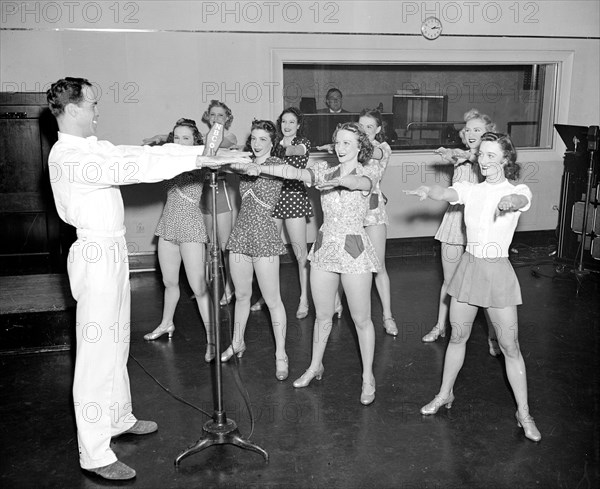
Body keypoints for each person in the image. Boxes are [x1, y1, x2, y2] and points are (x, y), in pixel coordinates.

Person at [46, 77, 249, 481]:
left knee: (117, 338)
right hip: (94, 252)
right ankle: (94, 451)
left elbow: (138, 152)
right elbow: (135, 166)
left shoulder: (92, 147)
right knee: (95, 355)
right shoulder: (67, 156)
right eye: (92, 103)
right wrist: (198, 161)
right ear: (71, 110)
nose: (98, 110)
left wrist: (207, 152)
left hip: (112, 250)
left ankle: (118, 417)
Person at [405, 132, 541, 442]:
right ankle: (445, 394)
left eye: (492, 155)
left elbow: (520, 200)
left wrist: (509, 202)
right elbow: (449, 192)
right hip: (469, 267)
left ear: (505, 160)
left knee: (510, 346)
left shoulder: (518, 189)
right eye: (481, 154)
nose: (484, 160)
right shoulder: (471, 189)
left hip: (497, 273)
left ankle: (524, 412)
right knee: (458, 337)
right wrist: (431, 190)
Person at [248, 122, 381, 405]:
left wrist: (343, 181)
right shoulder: (323, 170)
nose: (341, 148)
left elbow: (362, 184)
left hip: (354, 246)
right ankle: (314, 365)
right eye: (338, 142)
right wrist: (261, 167)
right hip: (324, 247)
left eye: (348, 143)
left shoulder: (369, 171)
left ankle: (368, 377)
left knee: (361, 319)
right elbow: (293, 171)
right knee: (322, 316)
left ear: (360, 147)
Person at [421, 109, 500, 357]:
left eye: (478, 129)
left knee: (484, 285)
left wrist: (462, 153)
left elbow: (474, 157)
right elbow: (461, 155)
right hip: (455, 223)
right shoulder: (459, 156)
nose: (472, 133)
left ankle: (493, 335)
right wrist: (454, 153)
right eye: (468, 130)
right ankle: (440, 325)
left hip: (480, 227)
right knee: (449, 280)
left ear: (488, 133)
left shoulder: (490, 158)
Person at [220, 120, 289, 381]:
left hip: (264, 236)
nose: (257, 143)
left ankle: (281, 354)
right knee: (241, 295)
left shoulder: (276, 166)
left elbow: (263, 172)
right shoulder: (248, 161)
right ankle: (237, 342)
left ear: (272, 142)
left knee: (273, 300)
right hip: (241, 234)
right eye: (254, 139)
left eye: (263, 139)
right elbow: (227, 160)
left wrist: (247, 166)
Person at [143, 118, 215, 363]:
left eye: (186, 137)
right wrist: (158, 141)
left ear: (194, 140)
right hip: (168, 224)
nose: (180, 142)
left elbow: (219, 150)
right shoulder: (168, 158)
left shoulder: (200, 159)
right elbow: (148, 155)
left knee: (199, 287)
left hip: (190, 227)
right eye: (176, 137)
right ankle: (166, 323)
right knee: (169, 282)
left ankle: (212, 340)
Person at [249, 107, 313, 319]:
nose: (287, 126)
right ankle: (266, 297)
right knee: (269, 252)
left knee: (300, 254)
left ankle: (304, 298)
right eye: (284, 122)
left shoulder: (302, 143)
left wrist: (273, 146)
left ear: (298, 125)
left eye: (291, 122)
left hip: (294, 198)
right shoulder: (272, 143)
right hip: (273, 198)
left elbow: (295, 152)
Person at [359, 109, 398, 336]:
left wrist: (346, 142)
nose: (364, 130)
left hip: (373, 213)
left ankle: (387, 315)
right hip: (350, 214)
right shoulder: (351, 147)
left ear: (379, 130)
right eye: (360, 125)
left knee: (378, 266)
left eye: (369, 127)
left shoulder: (382, 149)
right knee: (349, 266)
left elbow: (373, 154)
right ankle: (338, 306)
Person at [199, 100, 240, 306]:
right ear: (207, 116)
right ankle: (206, 288)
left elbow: (220, 143)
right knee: (208, 244)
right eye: (213, 115)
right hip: (203, 193)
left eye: (220, 116)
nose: (216, 119)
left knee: (225, 246)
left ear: (227, 119)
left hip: (220, 193)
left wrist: (204, 144)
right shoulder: (203, 136)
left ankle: (229, 287)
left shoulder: (228, 136)